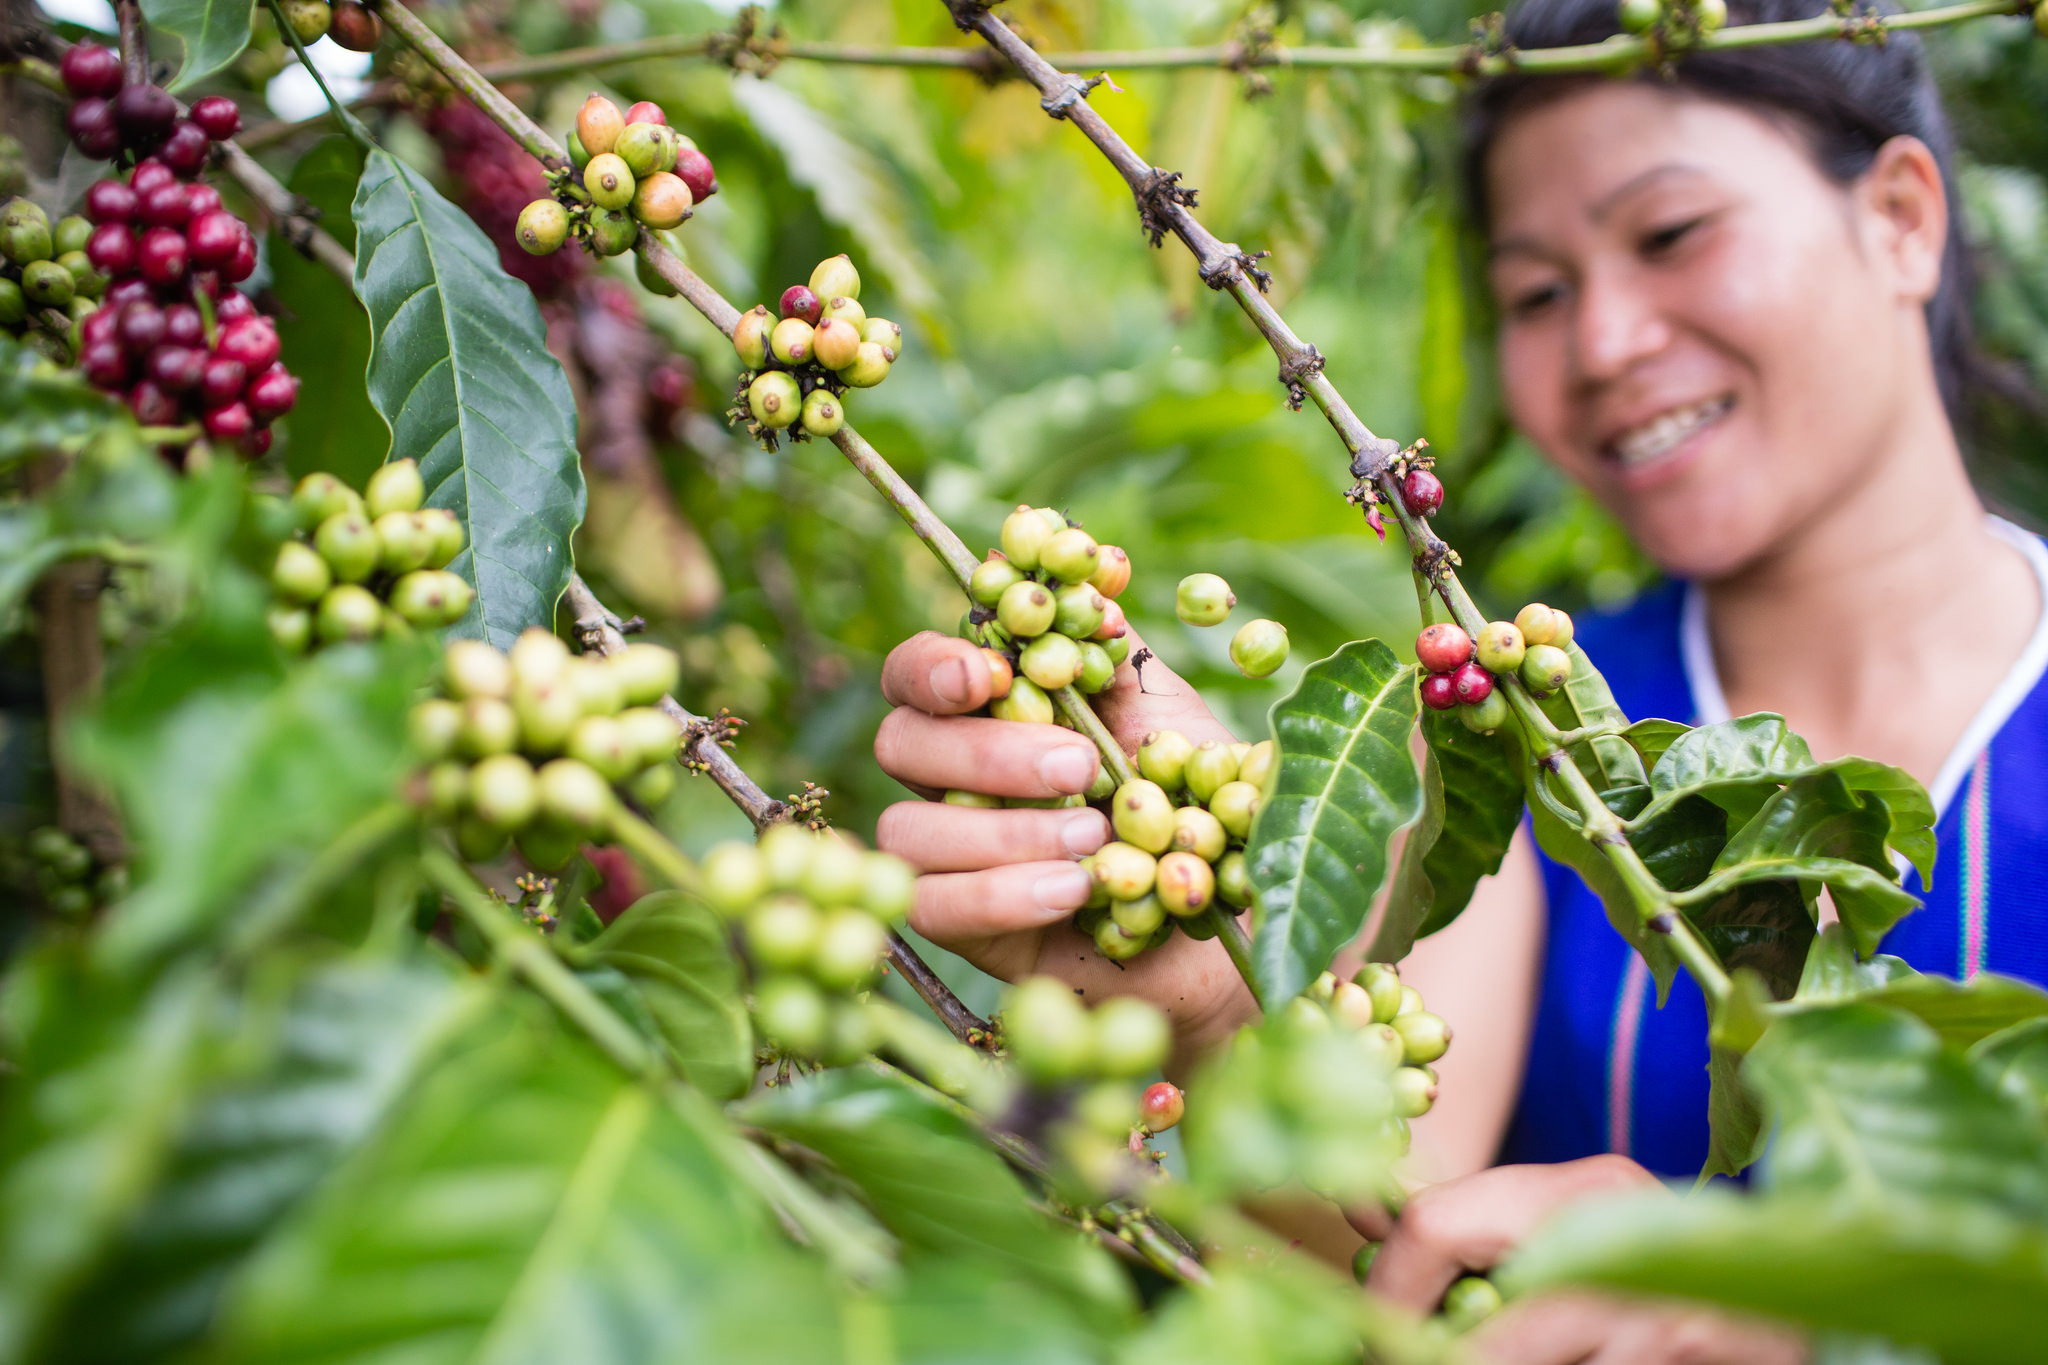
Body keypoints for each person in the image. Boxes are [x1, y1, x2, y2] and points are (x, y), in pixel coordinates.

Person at [871, 0, 2047, 1355]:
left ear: (1900, 217)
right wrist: (1208, 1001)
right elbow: (1377, 1254)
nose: (1604, 343)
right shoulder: (1518, 730)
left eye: (1672, 233)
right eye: (1537, 294)